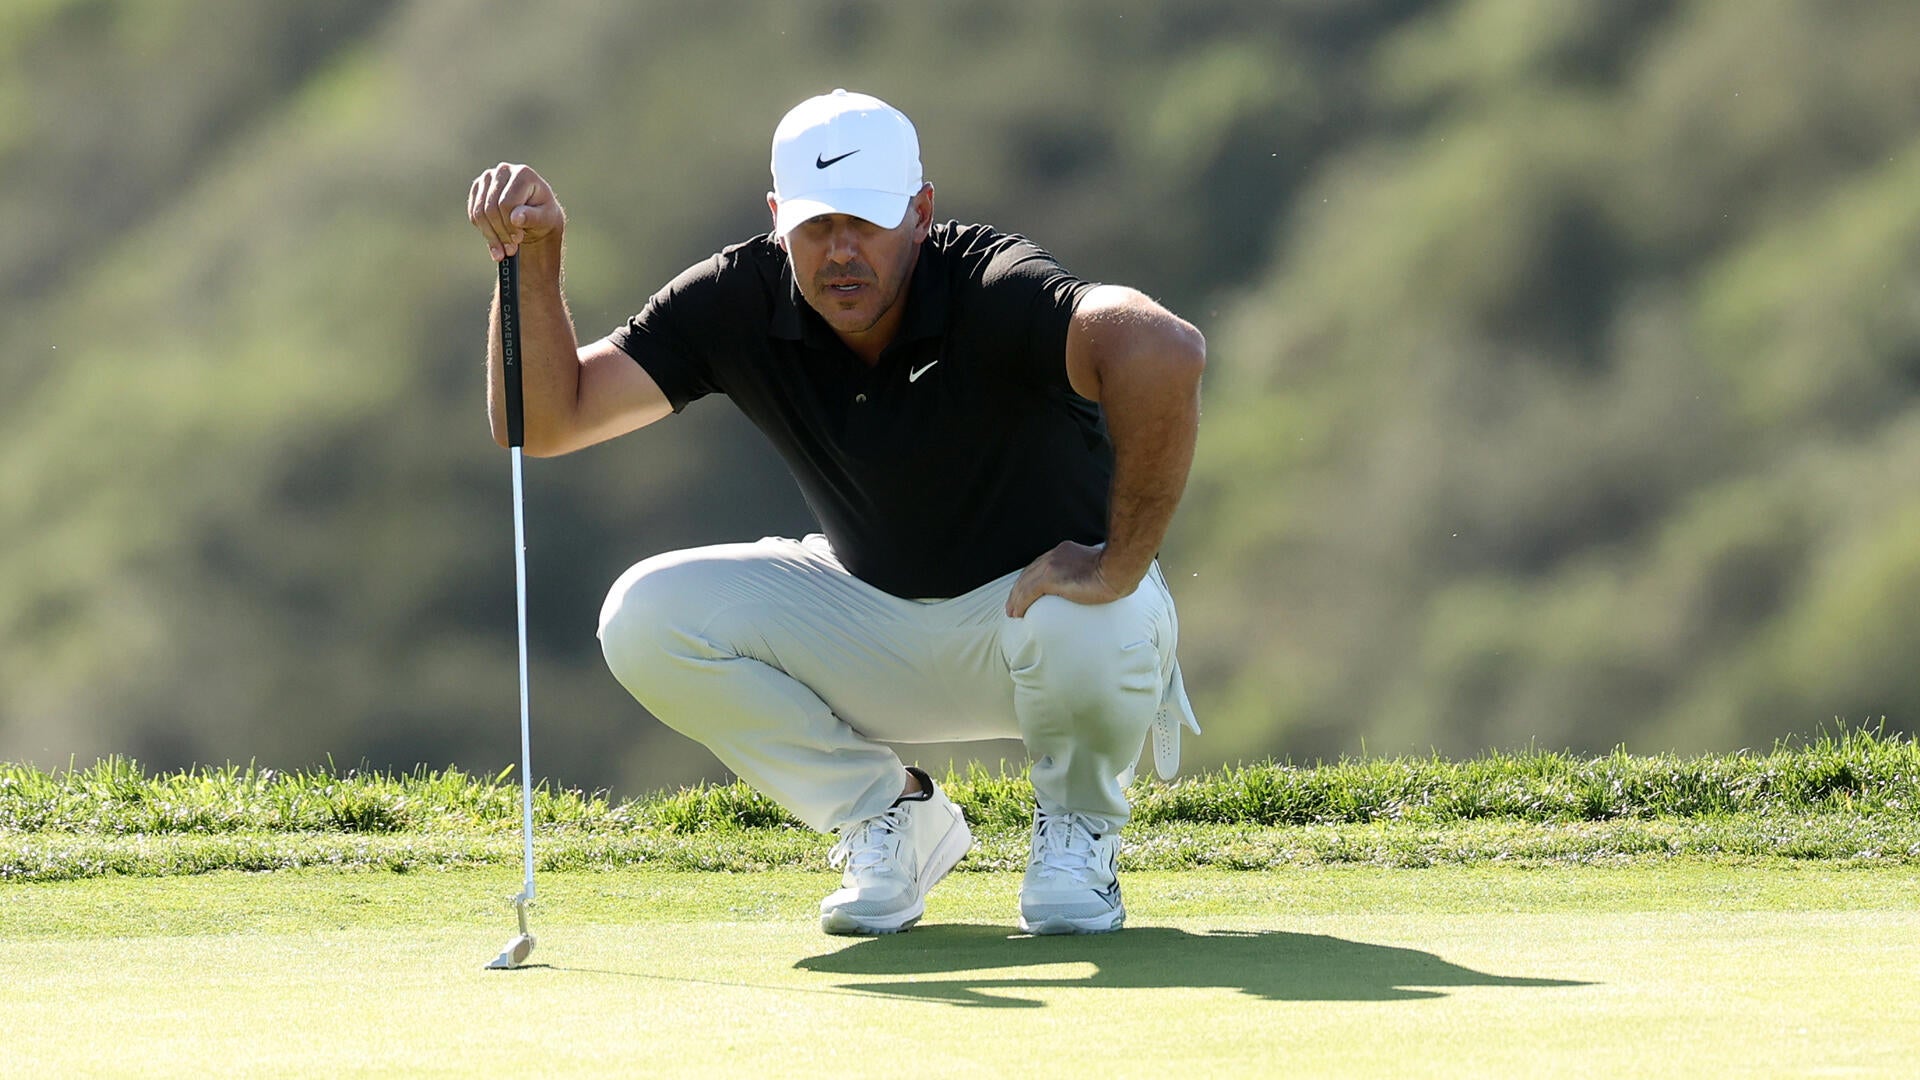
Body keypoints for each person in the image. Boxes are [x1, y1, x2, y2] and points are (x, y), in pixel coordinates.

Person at [466, 89, 1204, 936]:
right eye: (817, 226)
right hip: (870, 623)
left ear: (919, 214)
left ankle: (1076, 832)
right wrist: (536, 258)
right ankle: (890, 814)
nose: (841, 251)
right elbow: (542, 422)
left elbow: (1162, 348)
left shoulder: (993, 286)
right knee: (644, 615)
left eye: (866, 221)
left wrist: (1118, 563)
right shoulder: (738, 296)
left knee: (1093, 616)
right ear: (778, 219)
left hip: (1041, 623)